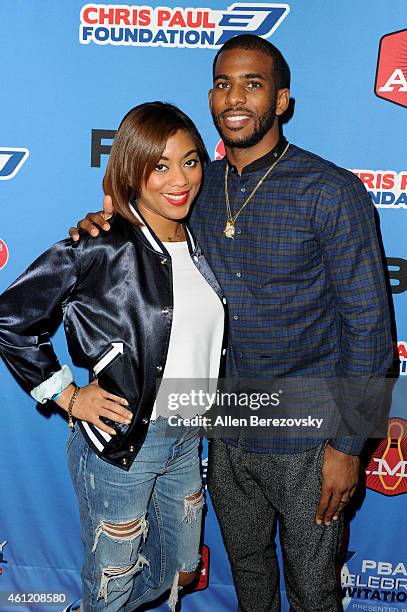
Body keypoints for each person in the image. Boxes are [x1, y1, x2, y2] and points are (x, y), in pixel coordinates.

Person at [69, 35, 393, 611]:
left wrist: (348, 446)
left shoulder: (331, 192)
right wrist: (101, 223)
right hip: (222, 431)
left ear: (283, 100)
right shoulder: (195, 187)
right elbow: (137, 227)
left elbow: (368, 330)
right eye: (222, 83)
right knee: (248, 576)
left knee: (315, 588)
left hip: (308, 437)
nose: (234, 97)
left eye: (252, 83)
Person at [0, 102, 227, 612]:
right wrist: (68, 394)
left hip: (188, 440)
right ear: (131, 169)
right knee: (112, 581)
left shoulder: (200, 237)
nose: (179, 179)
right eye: (160, 165)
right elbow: (10, 318)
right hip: (124, 445)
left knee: (179, 571)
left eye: (190, 162)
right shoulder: (101, 246)